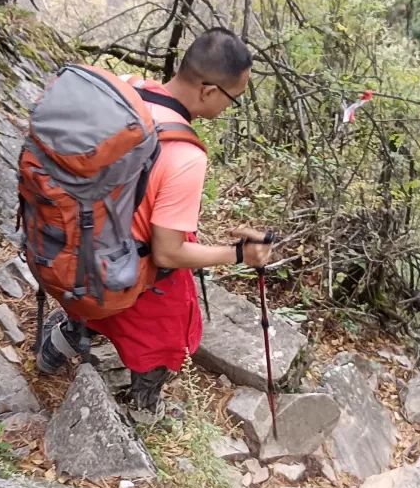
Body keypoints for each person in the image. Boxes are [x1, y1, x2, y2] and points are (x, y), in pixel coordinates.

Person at [36, 27, 274, 421]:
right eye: (234, 99)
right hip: (122, 266)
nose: (231, 108)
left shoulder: (125, 91)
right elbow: (168, 250)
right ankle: (145, 407)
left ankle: (57, 345)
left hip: (69, 245)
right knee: (171, 329)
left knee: (90, 307)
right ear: (209, 91)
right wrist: (240, 254)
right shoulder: (185, 155)